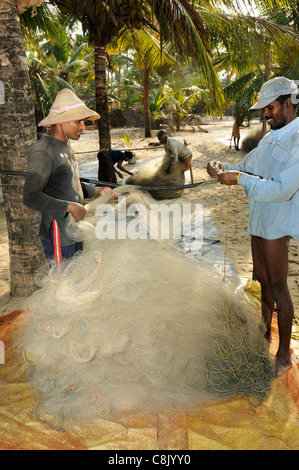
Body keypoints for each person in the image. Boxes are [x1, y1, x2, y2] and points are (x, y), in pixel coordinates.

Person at [207, 77, 299, 377]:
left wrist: (241, 179)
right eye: (263, 110)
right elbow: (247, 167)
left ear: (288, 103)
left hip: (277, 221)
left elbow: (281, 189)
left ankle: (284, 354)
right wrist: (222, 169)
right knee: (260, 278)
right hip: (259, 218)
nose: (265, 114)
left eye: (270, 108)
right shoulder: (272, 136)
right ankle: (265, 331)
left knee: (277, 286)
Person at [23, 88, 117, 263]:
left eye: (84, 121)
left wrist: (98, 191)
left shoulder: (65, 145)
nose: (83, 126)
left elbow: (68, 181)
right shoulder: (43, 151)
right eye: (78, 121)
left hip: (74, 229)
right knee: (63, 284)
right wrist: (70, 207)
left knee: (77, 279)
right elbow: (30, 197)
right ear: (60, 122)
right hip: (59, 232)